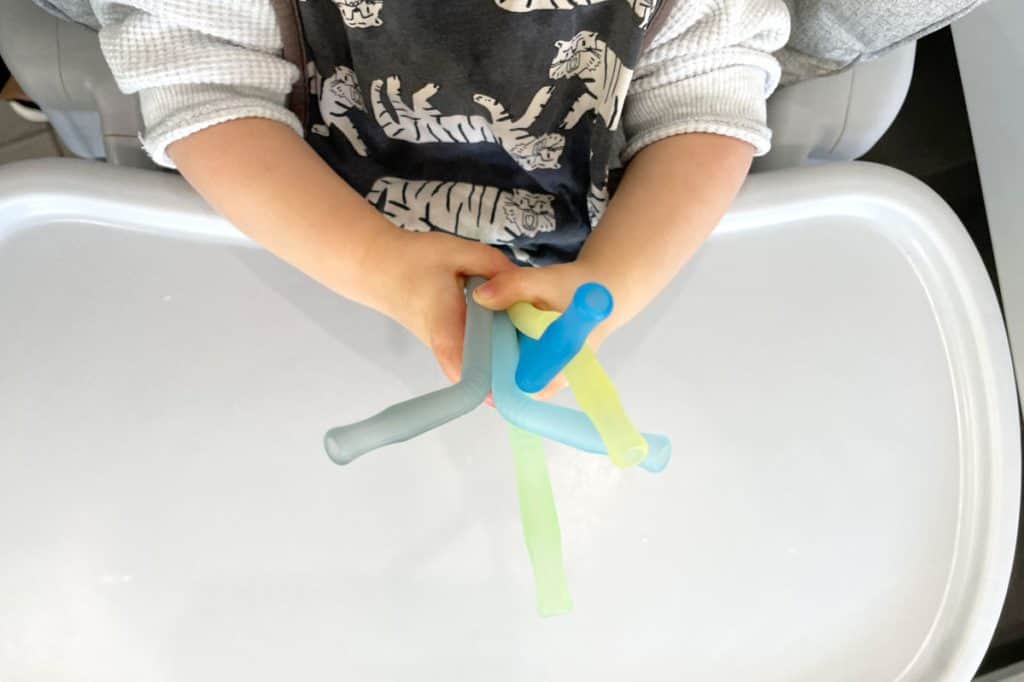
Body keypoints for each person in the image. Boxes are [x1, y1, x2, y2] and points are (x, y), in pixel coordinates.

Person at [48, 0, 789, 396]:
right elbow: (207, 87)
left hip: (605, 255)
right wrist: (373, 262)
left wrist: (618, 283)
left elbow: (705, 98)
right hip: (307, 238)